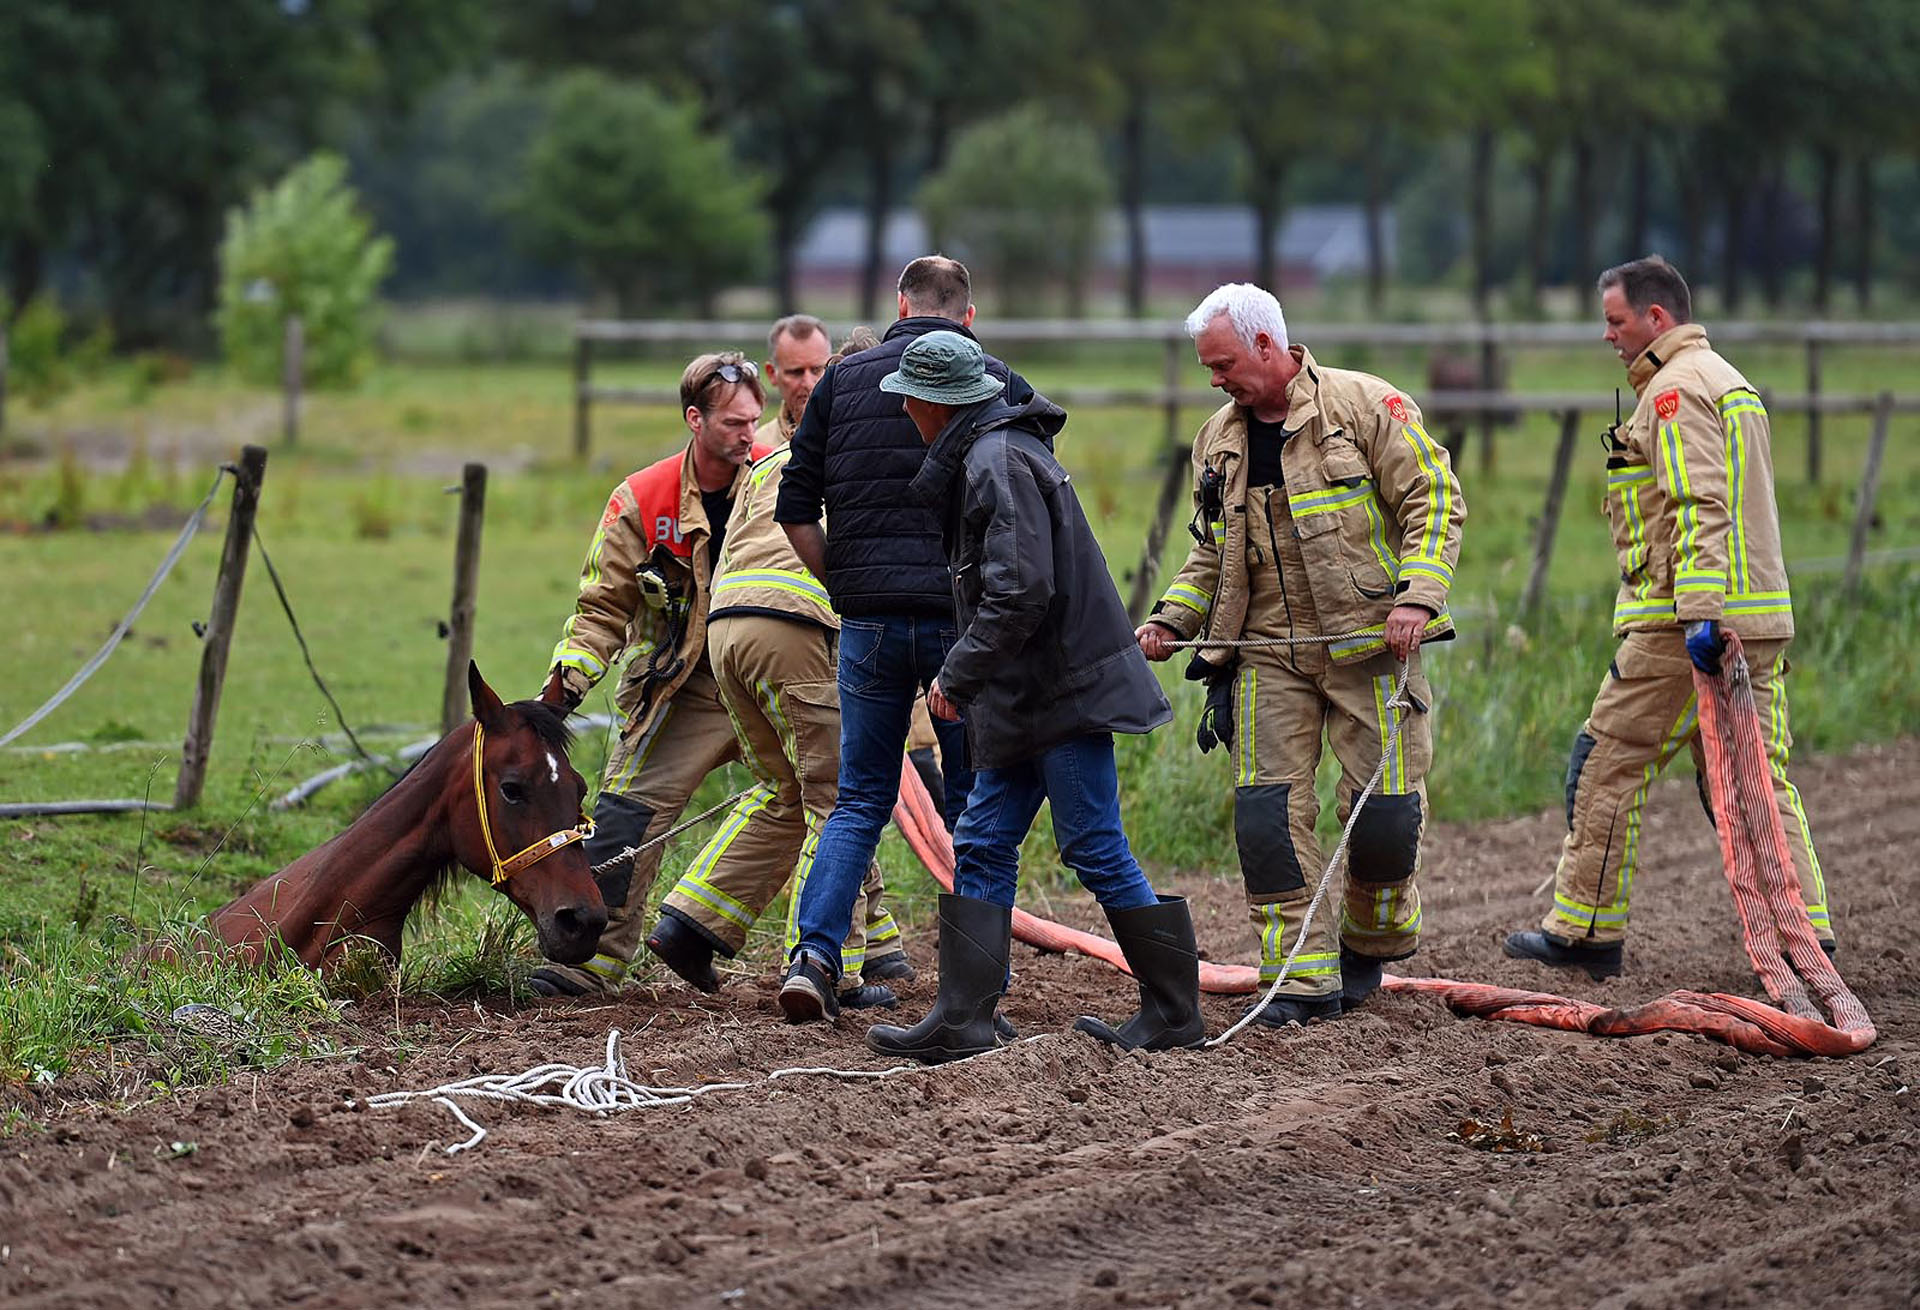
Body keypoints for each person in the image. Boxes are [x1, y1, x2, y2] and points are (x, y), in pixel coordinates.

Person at [864, 330, 1201, 1063]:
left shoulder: (998, 461)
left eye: (907, 403)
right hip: (1024, 699)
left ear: (929, 404)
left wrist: (958, 675)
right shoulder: (993, 452)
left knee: (1094, 846)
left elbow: (1021, 591)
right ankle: (964, 1019)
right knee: (981, 841)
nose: (905, 415)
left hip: (1062, 697)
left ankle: (1175, 1011)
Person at [1137, 284, 1465, 1026]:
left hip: (1372, 645)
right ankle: (1298, 979)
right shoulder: (1217, 439)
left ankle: (1373, 940)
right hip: (1266, 653)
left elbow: (1435, 502)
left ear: (1265, 345)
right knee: (1265, 817)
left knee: (1383, 814)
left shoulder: (1368, 407)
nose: (1214, 380)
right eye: (1206, 368)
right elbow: (1210, 553)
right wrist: (1168, 622)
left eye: (1222, 364)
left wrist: (1418, 597)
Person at [1504, 256, 1832, 978]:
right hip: (1761, 615)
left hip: (1685, 627)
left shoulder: (1673, 393)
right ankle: (1805, 935)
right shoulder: (1732, 382)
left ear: (1658, 318)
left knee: (1607, 764)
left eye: (1615, 321)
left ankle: (1585, 932)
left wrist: (1701, 617)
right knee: (1751, 778)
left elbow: (1699, 505)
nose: (1607, 336)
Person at [773, 255, 1033, 1022]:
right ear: (969, 317)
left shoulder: (844, 383)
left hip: (870, 623)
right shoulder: (996, 380)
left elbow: (794, 504)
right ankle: (975, 982)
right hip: (964, 629)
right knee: (979, 802)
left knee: (858, 799)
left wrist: (844, 587)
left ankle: (814, 957)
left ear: (899, 304)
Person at [644, 326, 910, 1007]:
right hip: (793, 633)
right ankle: (825, 968)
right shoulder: (870, 454)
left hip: (727, 637)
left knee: (780, 791)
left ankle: (690, 925)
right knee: (839, 803)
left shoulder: (773, 458)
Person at [528, 352, 778, 997]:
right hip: (685, 683)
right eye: (732, 423)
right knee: (626, 812)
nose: (749, 435)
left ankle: (862, 953)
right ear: (694, 420)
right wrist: (560, 694)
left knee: (832, 799)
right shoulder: (644, 499)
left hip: (771, 676)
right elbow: (604, 607)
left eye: (755, 420)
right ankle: (591, 963)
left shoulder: (786, 483)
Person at [756, 314, 832, 447]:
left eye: (817, 370)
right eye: (796, 372)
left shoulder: (855, 435)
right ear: (772, 374)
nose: (808, 383)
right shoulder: (755, 448)